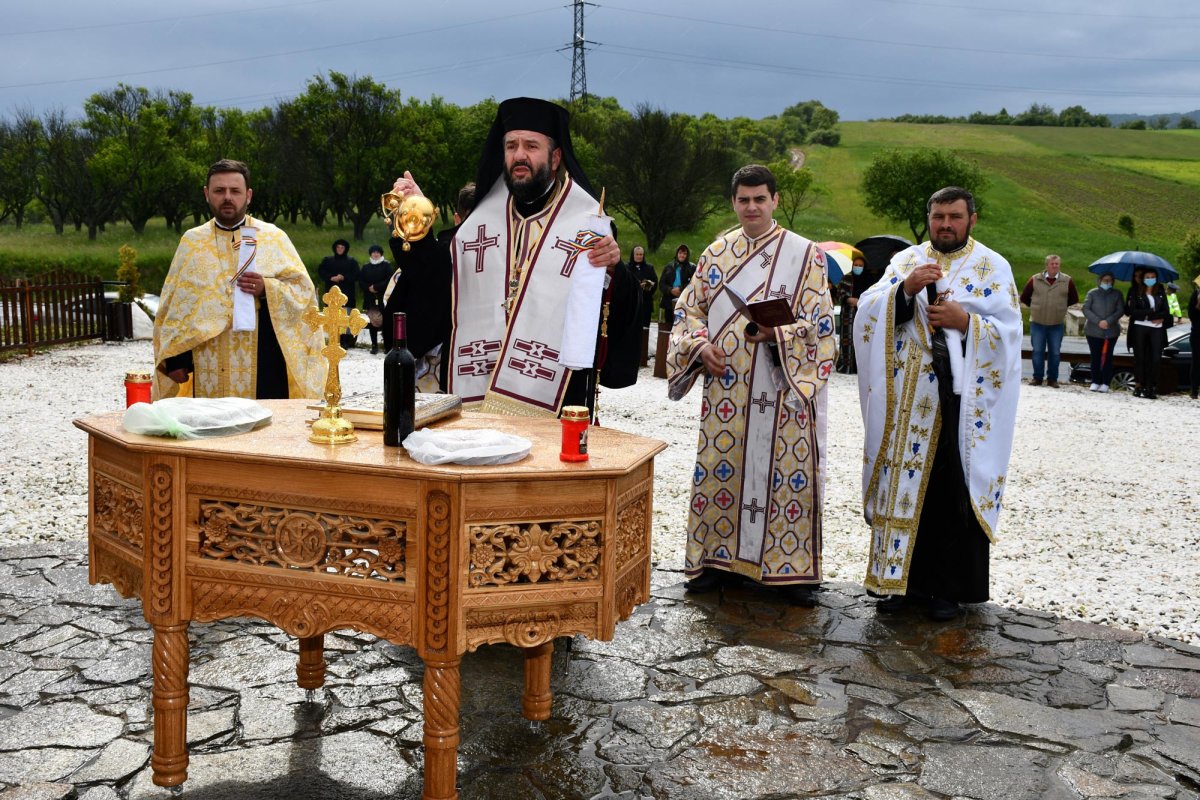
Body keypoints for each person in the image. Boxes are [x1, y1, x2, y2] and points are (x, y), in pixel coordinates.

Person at [385, 97, 640, 416]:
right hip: (478, 395)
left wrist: (616, 269)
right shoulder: (480, 221)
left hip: (555, 403)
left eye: (531, 146)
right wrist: (417, 220)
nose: (520, 155)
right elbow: (437, 286)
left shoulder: (586, 224)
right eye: (511, 146)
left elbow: (614, 310)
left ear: (556, 156)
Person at [666, 164, 836, 607]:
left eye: (760, 198)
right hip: (728, 388)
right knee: (723, 468)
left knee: (784, 476)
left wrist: (777, 335)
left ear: (775, 200)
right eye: (744, 199)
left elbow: (821, 327)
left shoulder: (805, 255)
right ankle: (715, 562)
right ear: (733, 202)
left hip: (784, 390)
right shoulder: (715, 253)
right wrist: (700, 347)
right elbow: (689, 312)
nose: (752, 207)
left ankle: (790, 574)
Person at [852, 186, 1021, 621]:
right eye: (939, 216)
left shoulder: (993, 267)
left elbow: (1011, 335)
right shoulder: (905, 260)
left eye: (955, 217)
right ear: (928, 217)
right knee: (900, 490)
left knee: (949, 496)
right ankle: (899, 586)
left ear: (972, 219)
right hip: (907, 401)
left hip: (959, 406)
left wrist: (966, 322)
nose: (946, 224)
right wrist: (903, 293)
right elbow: (868, 312)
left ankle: (947, 590)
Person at [153, 159, 325, 400]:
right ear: (206, 194)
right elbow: (175, 307)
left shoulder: (274, 238)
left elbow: (303, 295)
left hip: (264, 360)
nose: (227, 197)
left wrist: (267, 287)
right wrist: (175, 360)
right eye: (219, 190)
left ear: (248, 195)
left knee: (263, 431)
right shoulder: (192, 242)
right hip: (207, 361)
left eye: (235, 191)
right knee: (211, 430)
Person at [1020, 254, 1078, 387]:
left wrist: (1060, 307)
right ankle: (1037, 378)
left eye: (1057, 264)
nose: (1055, 266)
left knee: (1055, 353)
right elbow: (1024, 297)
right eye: (1052, 264)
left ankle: (1052, 379)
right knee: (1038, 351)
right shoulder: (1035, 279)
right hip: (1037, 322)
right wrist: (1036, 307)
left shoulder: (1067, 280)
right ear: (1046, 265)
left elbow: (1073, 298)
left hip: (1056, 323)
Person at [1126, 268, 1172, 399]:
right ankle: (1139, 385)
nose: (1150, 279)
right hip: (1140, 327)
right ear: (1143, 278)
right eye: (1148, 276)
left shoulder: (1161, 290)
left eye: (1153, 276)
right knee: (1140, 357)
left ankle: (1151, 386)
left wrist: (1153, 315)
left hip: (1157, 328)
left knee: (1156, 358)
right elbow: (1134, 312)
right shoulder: (1136, 291)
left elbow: (1166, 311)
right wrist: (1152, 314)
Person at [1081, 271, 1124, 392]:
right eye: (1105, 280)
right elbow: (1086, 308)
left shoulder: (1117, 294)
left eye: (1110, 280)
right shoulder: (1092, 293)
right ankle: (1095, 381)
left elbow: (1120, 310)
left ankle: (1106, 382)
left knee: (1107, 357)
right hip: (1093, 331)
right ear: (1100, 281)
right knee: (1095, 356)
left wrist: (1108, 321)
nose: (1107, 282)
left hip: (1111, 331)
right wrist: (1098, 321)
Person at [835, 255, 875, 374]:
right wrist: (847, 299)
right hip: (848, 314)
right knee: (847, 339)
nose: (858, 267)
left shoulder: (869, 280)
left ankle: (859, 367)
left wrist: (860, 302)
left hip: (863, 314)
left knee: (861, 339)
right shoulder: (846, 277)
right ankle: (845, 365)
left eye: (860, 266)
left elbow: (872, 296)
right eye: (856, 265)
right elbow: (839, 294)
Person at [317, 239, 360, 349]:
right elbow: (321, 272)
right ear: (335, 249)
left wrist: (343, 277)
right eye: (338, 247)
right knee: (333, 318)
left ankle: (345, 341)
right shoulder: (327, 260)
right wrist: (331, 277)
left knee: (345, 318)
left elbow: (356, 275)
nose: (340, 249)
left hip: (347, 295)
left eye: (342, 247)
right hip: (332, 295)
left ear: (346, 249)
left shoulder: (352, 262)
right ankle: (334, 340)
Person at [359, 244, 394, 355]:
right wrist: (369, 288)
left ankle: (387, 346)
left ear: (381, 254)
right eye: (373, 252)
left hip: (384, 298)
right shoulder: (365, 267)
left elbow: (390, 279)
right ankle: (374, 345)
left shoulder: (386, 266)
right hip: (370, 299)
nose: (375, 254)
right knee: (373, 322)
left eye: (377, 252)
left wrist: (376, 287)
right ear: (370, 254)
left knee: (386, 322)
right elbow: (361, 281)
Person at [659, 244, 696, 322]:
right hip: (669, 301)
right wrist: (670, 290)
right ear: (677, 254)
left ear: (687, 255)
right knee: (669, 324)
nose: (682, 255)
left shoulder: (692, 268)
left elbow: (694, 283)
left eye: (684, 253)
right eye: (680, 253)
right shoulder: (669, 267)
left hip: (685, 301)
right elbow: (661, 284)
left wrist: (681, 289)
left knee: (682, 325)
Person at [1189, 282, 1199, 400]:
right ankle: (1194, 390)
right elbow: (1192, 315)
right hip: (1197, 333)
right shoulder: (1196, 295)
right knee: (1197, 362)